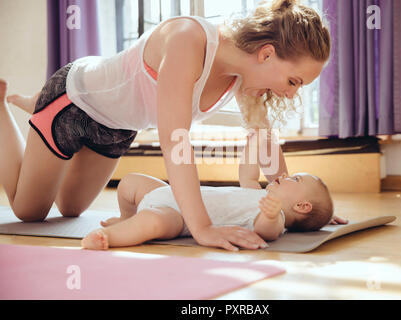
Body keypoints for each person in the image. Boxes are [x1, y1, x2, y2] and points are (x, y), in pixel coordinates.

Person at [0, 0, 332, 251]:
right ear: (267, 54)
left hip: (117, 128)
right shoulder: (188, 39)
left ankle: (36, 108)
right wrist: (201, 228)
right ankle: (13, 105)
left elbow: (263, 139)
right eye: (293, 80)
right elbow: (175, 142)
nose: (291, 93)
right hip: (74, 104)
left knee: (70, 209)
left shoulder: (245, 79)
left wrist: (305, 208)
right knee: (29, 211)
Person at [81, 131, 338, 250]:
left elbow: (265, 232)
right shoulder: (258, 193)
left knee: (152, 222)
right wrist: (256, 140)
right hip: (176, 193)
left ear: (302, 206)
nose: (284, 176)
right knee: (130, 182)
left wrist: (271, 215)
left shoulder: (276, 217)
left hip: (177, 215)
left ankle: (109, 237)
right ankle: (127, 219)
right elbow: (248, 173)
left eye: (294, 179)